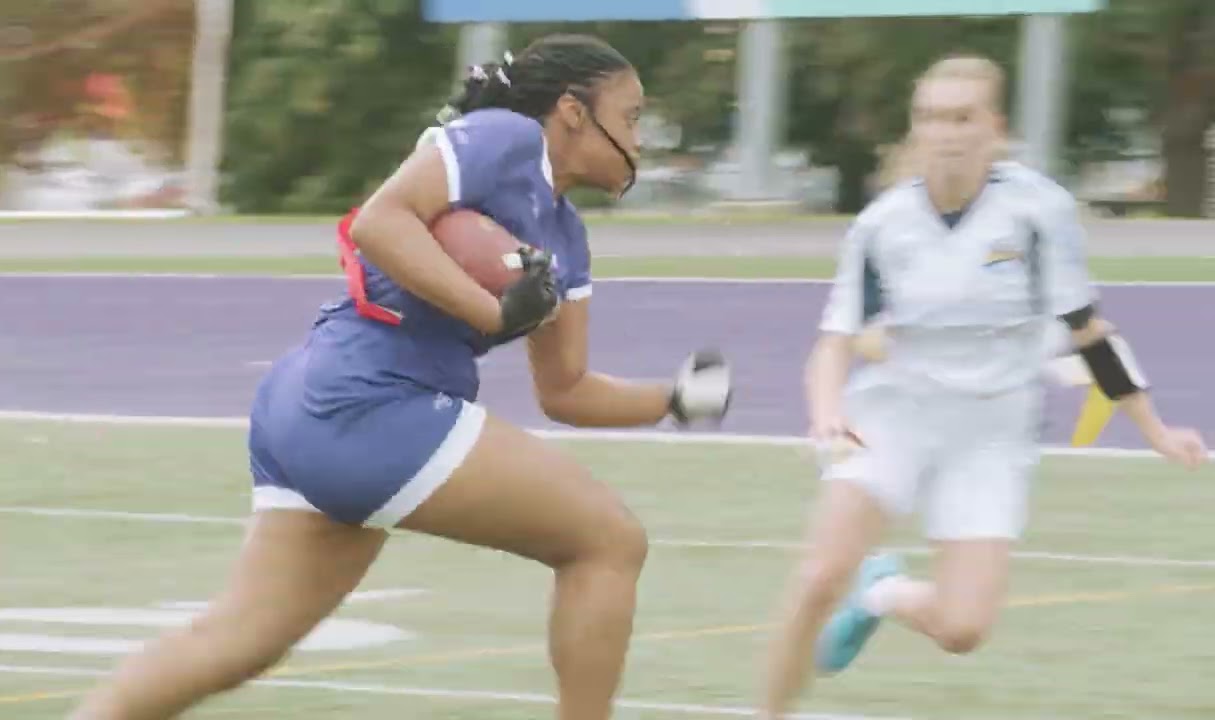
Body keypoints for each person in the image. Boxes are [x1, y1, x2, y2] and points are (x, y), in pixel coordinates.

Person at [69, 34, 732, 720]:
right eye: (629, 117)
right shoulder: (505, 138)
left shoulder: (567, 238)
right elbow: (378, 222)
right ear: (571, 111)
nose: (640, 139)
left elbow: (565, 389)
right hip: (371, 401)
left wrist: (674, 399)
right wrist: (493, 309)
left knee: (238, 642)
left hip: (314, 403)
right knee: (609, 540)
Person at [756, 54, 1206, 719]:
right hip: (895, 415)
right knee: (817, 575)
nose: (947, 133)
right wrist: (827, 415)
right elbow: (835, 342)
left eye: (963, 117)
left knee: (963, 630)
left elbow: (1087, 332)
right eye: (933, 118)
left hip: (993, 432)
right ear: (916, 128)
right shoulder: (882, 224)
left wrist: (1156, 430)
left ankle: (880, 594)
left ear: (994, 127)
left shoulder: (1038, 211)